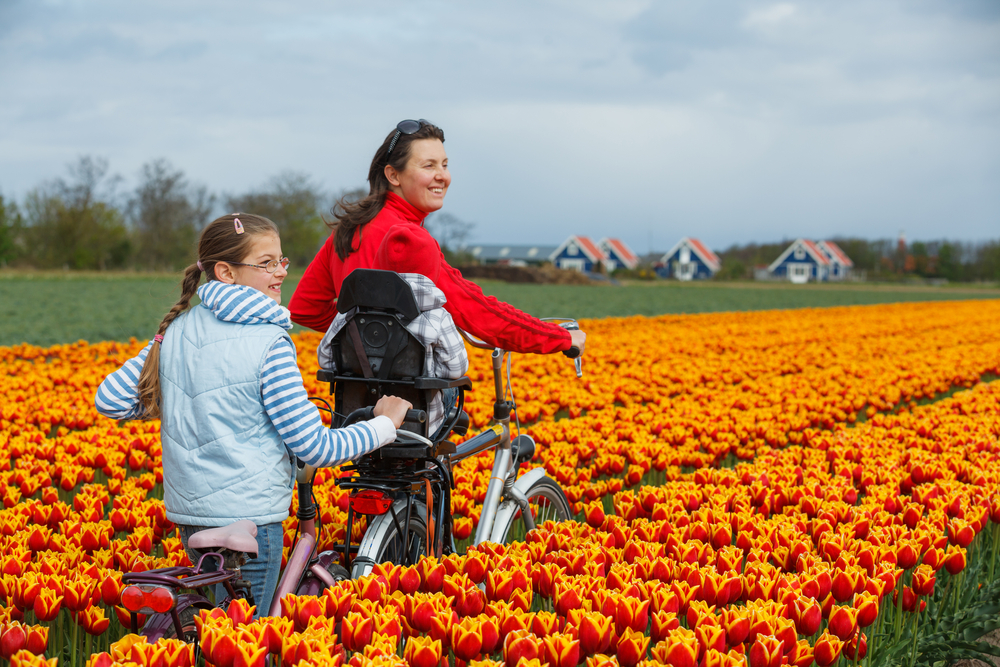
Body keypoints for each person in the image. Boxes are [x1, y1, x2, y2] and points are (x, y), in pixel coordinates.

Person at [94, 213, 412, 617]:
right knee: (248, 638)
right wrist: (384, 425)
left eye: (281, 261)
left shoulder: (179, 330)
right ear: (225, 272)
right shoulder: (268, 341)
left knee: (210, 631)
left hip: (191, 517)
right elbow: (312, 446)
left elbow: (111, 400)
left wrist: (175, 380)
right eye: (266, 263)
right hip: (252, 518)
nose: (280, 272)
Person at [288, 119, 587, 357]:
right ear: (393, 175)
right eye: (428, 165)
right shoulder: (408, 239)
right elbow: (475, 310)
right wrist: (559, 337)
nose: (442, 176)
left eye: (444, 164)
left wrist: (362, 342)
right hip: (407, 400)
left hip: (352, 391)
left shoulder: (350, 228)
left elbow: (305, 308)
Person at [318, 228, 469, 437]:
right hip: (417, 426)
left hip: (356, 422)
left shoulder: (349, 311)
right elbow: (455, 369)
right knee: (450, 388)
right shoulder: (437, 316)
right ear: (432, 269)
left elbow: (326, 361)